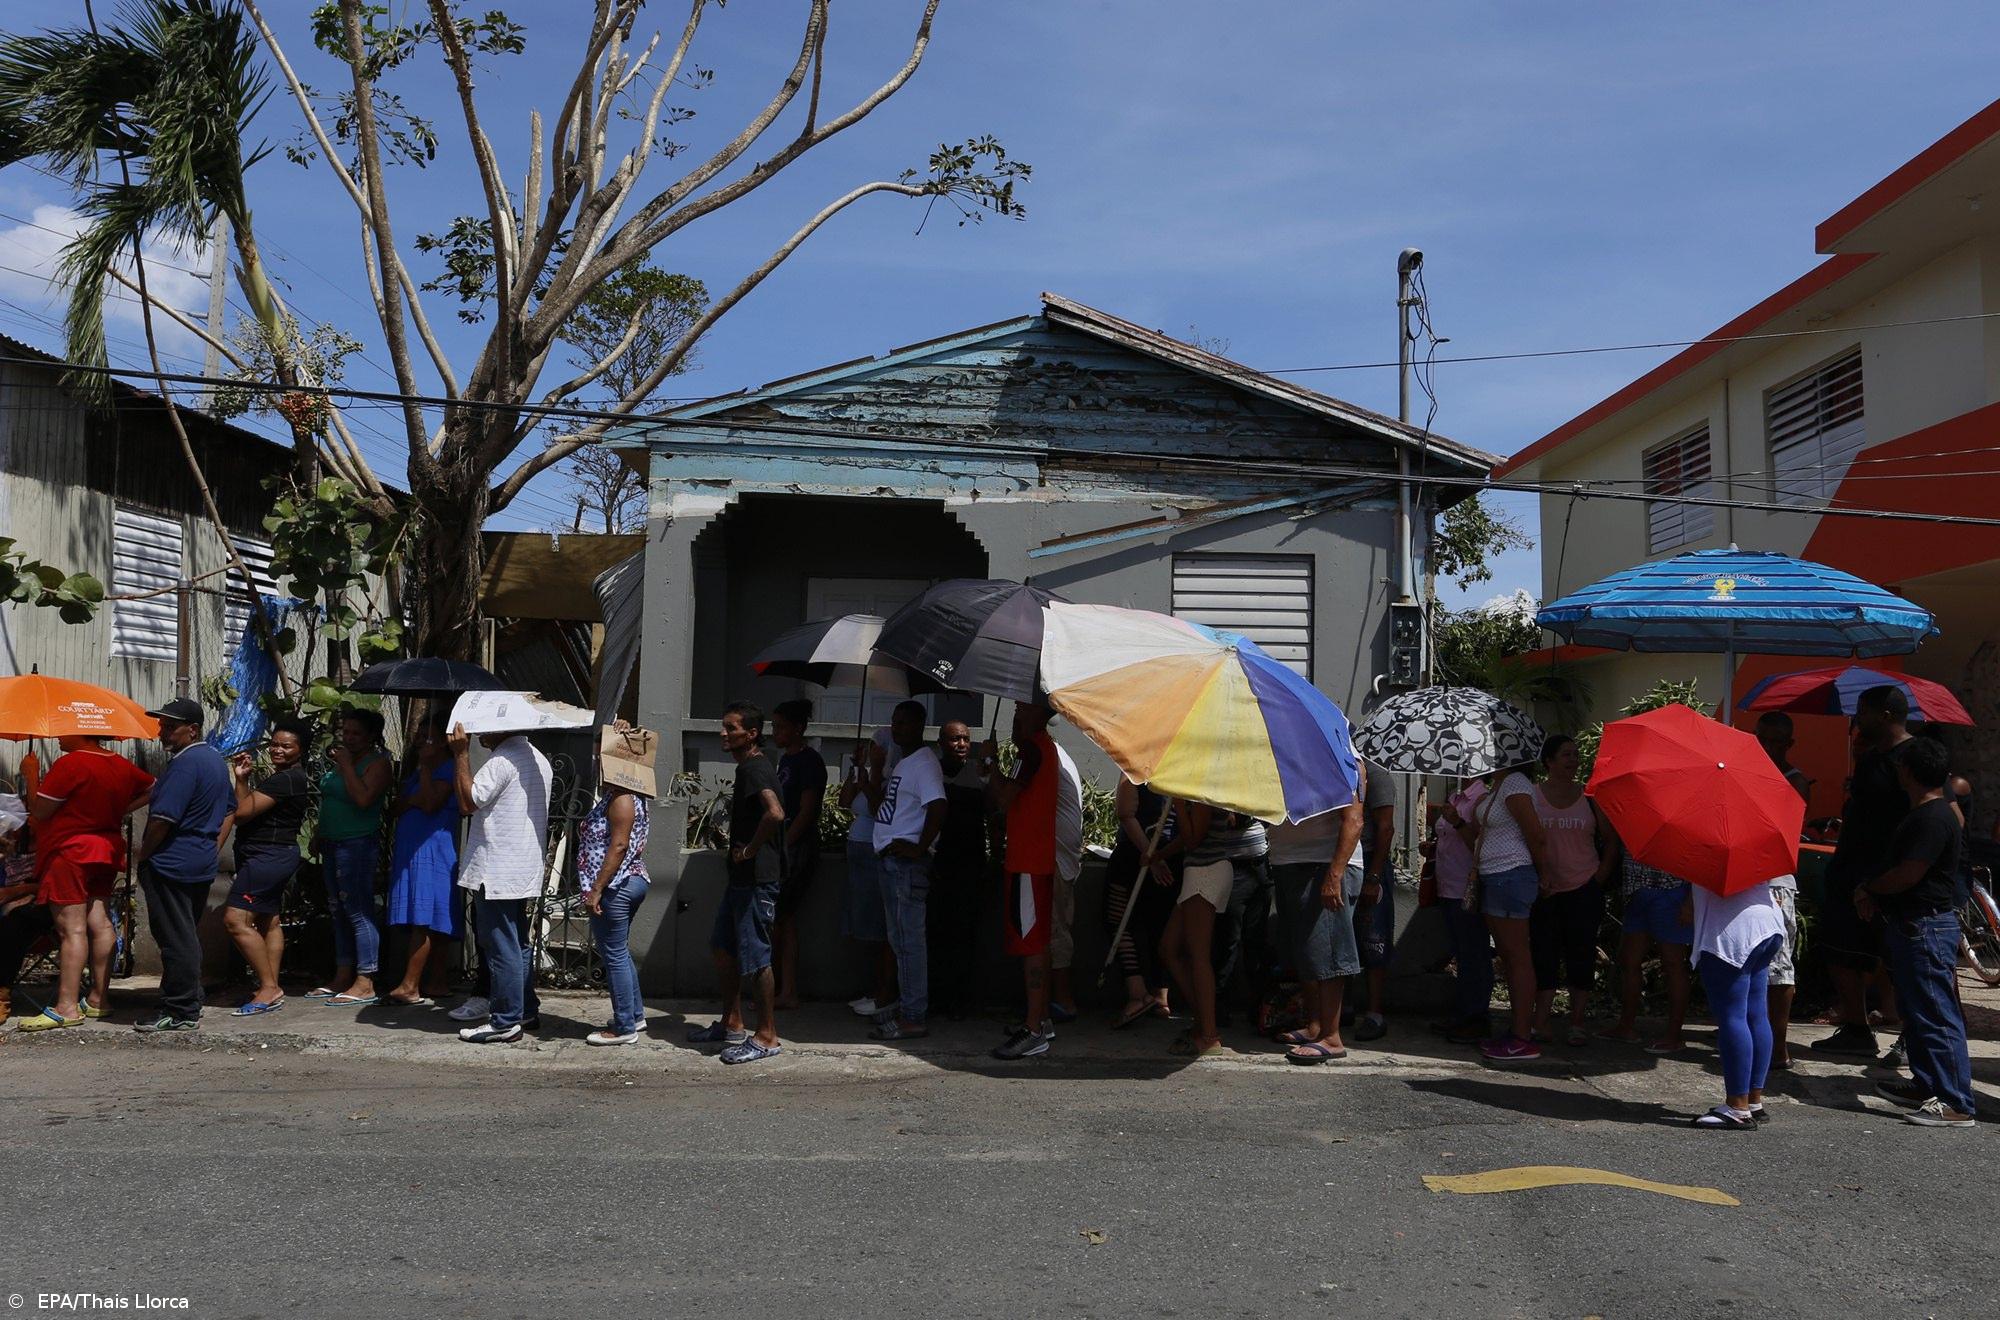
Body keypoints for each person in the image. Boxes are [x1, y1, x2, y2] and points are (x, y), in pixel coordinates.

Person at [1864, 737, 1977, 1127]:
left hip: (1925, 925)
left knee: (1937, 1015)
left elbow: (1909, 873)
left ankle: (1955, 1102)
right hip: (1915, 924)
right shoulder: (1932, 812)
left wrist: (1871, 887)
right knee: (1918, 1011)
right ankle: (1927, 1084)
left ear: (1908, 771)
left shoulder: (1932, 818)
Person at [14, 735, 152, 1031]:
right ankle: (99, 999)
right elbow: (154, 787)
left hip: (70, 851)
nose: (59, 736)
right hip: (105, 848)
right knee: (100, 922)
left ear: (81, 733)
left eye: (66, 731)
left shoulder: (71, 764)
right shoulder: (120, 764)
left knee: (71, 929)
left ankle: (66, 1006)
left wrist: (31, 776)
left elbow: (40, 811)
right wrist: (119, 810)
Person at [1814, 685, 1914, 1058]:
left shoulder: (1914, 758)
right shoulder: (1872, 760)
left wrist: (1882, 880)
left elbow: (1926, 817)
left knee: (1899, 961)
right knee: (1840, 953)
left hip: (1888, 881)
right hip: (1849, 875)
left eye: (1864, 711)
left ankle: (1911, 1036)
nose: (1858, 719)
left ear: (1886, 714)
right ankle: (1857, 1029)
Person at [692, 701, 786, 1065]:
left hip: (757, 879)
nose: (724, 734)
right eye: (724, 727)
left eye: (731, 728)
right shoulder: (748, 767)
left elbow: (775, 813)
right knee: (723, 947)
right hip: (742, 881)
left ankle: (766, 1036)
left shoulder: (755, 769)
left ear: (751, 734)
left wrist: (748, 851)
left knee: (757, 958)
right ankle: (732, 1023)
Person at [133, 697, 233, 1033]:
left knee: (176, 937)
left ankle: (180, 1010)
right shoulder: (215, 761)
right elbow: (230, 809)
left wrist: (144, 854)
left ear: (192, 730)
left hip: (172, 862)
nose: (163, 732)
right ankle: (188, 999)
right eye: (163, 725)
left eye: (171, 727)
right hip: (198, 859)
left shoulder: (186, 764)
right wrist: (210, 846)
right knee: (185, 932)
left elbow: (163, 818)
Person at [450, 721, 552, 1044]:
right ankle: (524, 1010)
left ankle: (505, 1020)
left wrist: (461, 755)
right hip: (518, 869)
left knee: (501, 945)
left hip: (496, 870)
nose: (479, 736)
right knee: (516, 942)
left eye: (485, 729)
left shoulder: (502, 760)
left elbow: (468, 802)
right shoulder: (537, 757)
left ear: (501, 728)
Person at [218, 720, 313, 1017]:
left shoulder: (284, 780)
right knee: (268, 921)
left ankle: (269, 987)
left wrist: (238, 784)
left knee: (235, 920)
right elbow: (249, 806)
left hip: (267, 857)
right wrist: (242, 779)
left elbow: (242, 812)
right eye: (274, 744)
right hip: (274, 855)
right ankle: (270, 986)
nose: (277, 750)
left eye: (286, 746)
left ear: (301, 750)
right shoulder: (287, 777)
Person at [866, 699, 947, 1042]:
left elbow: (938, 806)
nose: (896, 728)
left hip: (905, 866)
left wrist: (918, 846)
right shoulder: (905, 762)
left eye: (903, 723)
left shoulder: (924, 764)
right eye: (894, 721)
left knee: (909, 940)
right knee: (900, 939)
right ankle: (907, 1006)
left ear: (918, 726)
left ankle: (914, 1015)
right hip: (892, 861)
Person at [1528, 735, 1614, 1046]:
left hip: (1584, 887)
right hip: (1545, 889)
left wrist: (1598, 878)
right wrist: (1537, 876)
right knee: (1543, 955)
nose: (1573, 760)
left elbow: (1610, 840)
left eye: (1576, 755)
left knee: (1581, 956)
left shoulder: (1590, 796)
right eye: (1566, 754)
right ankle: (1541, 1021)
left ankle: (1577, 1022)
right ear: (1548, 761)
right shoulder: (1533, 796)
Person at [989, 702, 1063, 1060]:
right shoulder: (1040, 747)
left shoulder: (1031, 749)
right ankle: (1041, 1020)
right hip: (1035, 860)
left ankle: (1034, 1030)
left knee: (1031, 945)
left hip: (1028, 863)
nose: (1016, 709)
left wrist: (990, 765)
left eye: (1022, 705)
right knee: (1039, 943)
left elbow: (1004, 798)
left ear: (1037, 712)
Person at [1268, 791, 1365, 1064]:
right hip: (1290, 861)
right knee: (1307, 951)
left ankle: (1331, 1037)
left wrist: (1334, 874)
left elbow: (1354, 819)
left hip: (1322, 863)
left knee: (1328, 950)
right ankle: (1315, 1026)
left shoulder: (1344, 756)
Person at [1687, 878, 1787, 1129]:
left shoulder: (1706, 844)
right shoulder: (1755, 839)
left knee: (1732, 1016)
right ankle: (1753, 1101)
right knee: (1756, 1014)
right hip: (1767, 921)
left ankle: (1737, 1106)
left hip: (1731, 931)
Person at [1157, 800, 1250, 1058]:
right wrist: (1158, 856)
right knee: (1169, 948)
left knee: (1198, 956)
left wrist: (1177, 804)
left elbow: (1193, 838)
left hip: (1205, 871)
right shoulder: (1200, 787)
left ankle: (1208, 1034)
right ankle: (1203, 1019)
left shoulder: (1200, 790)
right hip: (1200, 871)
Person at [1470, 760, 1548, 1062]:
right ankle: (1517, 1031)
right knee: (1509, 957)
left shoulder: (1515, 782)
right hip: (1497, 876)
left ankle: (1522, 1037)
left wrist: (1544, 873)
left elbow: (1535, 833)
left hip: (1511, 875)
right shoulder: (1499, 787)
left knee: (1517, 958)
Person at [313, 708, 392, 1007]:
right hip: (333, 843)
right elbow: (330, 798)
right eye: (346, 732)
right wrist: (320, 833)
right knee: (338, 910)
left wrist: (346, 765)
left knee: (358, 910)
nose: (349, 738)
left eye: (356, 733)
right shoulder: (339, 763)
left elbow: (362, 799)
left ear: (371, 736)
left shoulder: (378, 764)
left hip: (357, 845)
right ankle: (342, 973)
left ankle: (366, 979)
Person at [579, 734, 652, 1047]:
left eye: (604, 758)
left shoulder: (622, 798)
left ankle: (624, 1027)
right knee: (618, 951)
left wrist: (596, 889)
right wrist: (616, 729)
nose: (598, 763)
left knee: (614, 954)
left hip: (616, 884)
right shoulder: (624, 794)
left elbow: (619, 845)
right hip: (627, 882)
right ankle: (634, 1014)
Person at [384, 715, 461, 1007]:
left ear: (442, 741)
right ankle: (437, 981)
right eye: (419, 733)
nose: (420, 740)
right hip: (415, 848)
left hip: (433, 850)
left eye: (427, 735)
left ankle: (410, 984)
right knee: (431, 916)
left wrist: (426, 774)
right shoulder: (418, 772)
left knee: (425, 917)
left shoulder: (445, 769)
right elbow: (398, 806)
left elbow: (428, 802)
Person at [1755, 711, 1810, 1069]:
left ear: (1789, 744)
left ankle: (1778, 1043)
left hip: (1775, 879)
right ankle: (1755, 1032)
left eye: (1778, 741)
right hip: (1744, 878)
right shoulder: (1745, 770)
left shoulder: (1794, 780)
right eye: (1765, 739)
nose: (1770, 747)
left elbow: (1782, 828)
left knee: (1779, 966)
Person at [1601, 848, 1694, 1054]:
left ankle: (1674, 1035)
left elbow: (1698, 854)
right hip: (1637, 891)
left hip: (1671, 891)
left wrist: (1690, 900)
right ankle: (1626, 1026)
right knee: (1629, 960)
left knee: (1673, 963)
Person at [928, 720, 989, 1020]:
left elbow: (995, 812)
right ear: (941, 742)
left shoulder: (979, 773)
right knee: (938, 933)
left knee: (965, 934)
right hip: (939, 864)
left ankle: (962, 998)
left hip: (971, 864)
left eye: (966, 739)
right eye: (955, 739)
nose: (962, 744)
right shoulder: (932, 772)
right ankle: (937, 997)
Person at [837, 724, 898, 1019]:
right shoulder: (864, 773)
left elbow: (877, 809)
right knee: (865, 925)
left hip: (875, 852)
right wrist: (856, 769)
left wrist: (871, 775)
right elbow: (843, 801)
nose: (874, 751)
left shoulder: (890, 779)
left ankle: (883, 993)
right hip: (857, 848)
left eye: (878, 747)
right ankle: (874, 990)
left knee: (880, 926)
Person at [1104, 779, 1175, 1029]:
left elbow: (1125, 811)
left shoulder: (1137, 761)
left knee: (1119, 920)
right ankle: (1161, 995)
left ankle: (1137, 993)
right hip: (1169, 854)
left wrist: (1151, 857)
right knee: (1160, 924)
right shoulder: (1178, 762)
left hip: (1137, 854)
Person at [770, 699, 826, 1011]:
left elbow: (807, 812)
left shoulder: (809, 762)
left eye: (781, 726)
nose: (775, 732)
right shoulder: (785, 761)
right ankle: (777, 988)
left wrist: (786, 847)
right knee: (777, 920)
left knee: (786, 919)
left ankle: (788, 990)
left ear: (798, 729)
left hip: (798, 850)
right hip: (785, 847)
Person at [1429, 778, 1492, 1044]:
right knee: (1462, 953)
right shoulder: (1455, 796)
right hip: (1447, 886)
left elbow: (1480, 843)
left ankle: (1476, 1017)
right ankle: (1463, 1013)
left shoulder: (1481, 799)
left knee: (1474, 953)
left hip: (1467, 888)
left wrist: (1457, 822)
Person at [1351, 759, 1398, 1042]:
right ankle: (1344, 1007)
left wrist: (1374, 876)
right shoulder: (1339, 767)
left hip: (1370, 864)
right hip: (1346, 861)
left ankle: (1374, 1012)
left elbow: (1385, 828)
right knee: (1346, 938)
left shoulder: (1376, 773)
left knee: (1374, 940)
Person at [1046, 739, 1086, 1024]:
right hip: (1062, 860)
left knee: (1055, 932)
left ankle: (1063, 1000)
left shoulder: (1049, 756)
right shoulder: (1060, 755)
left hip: (1056, 861)